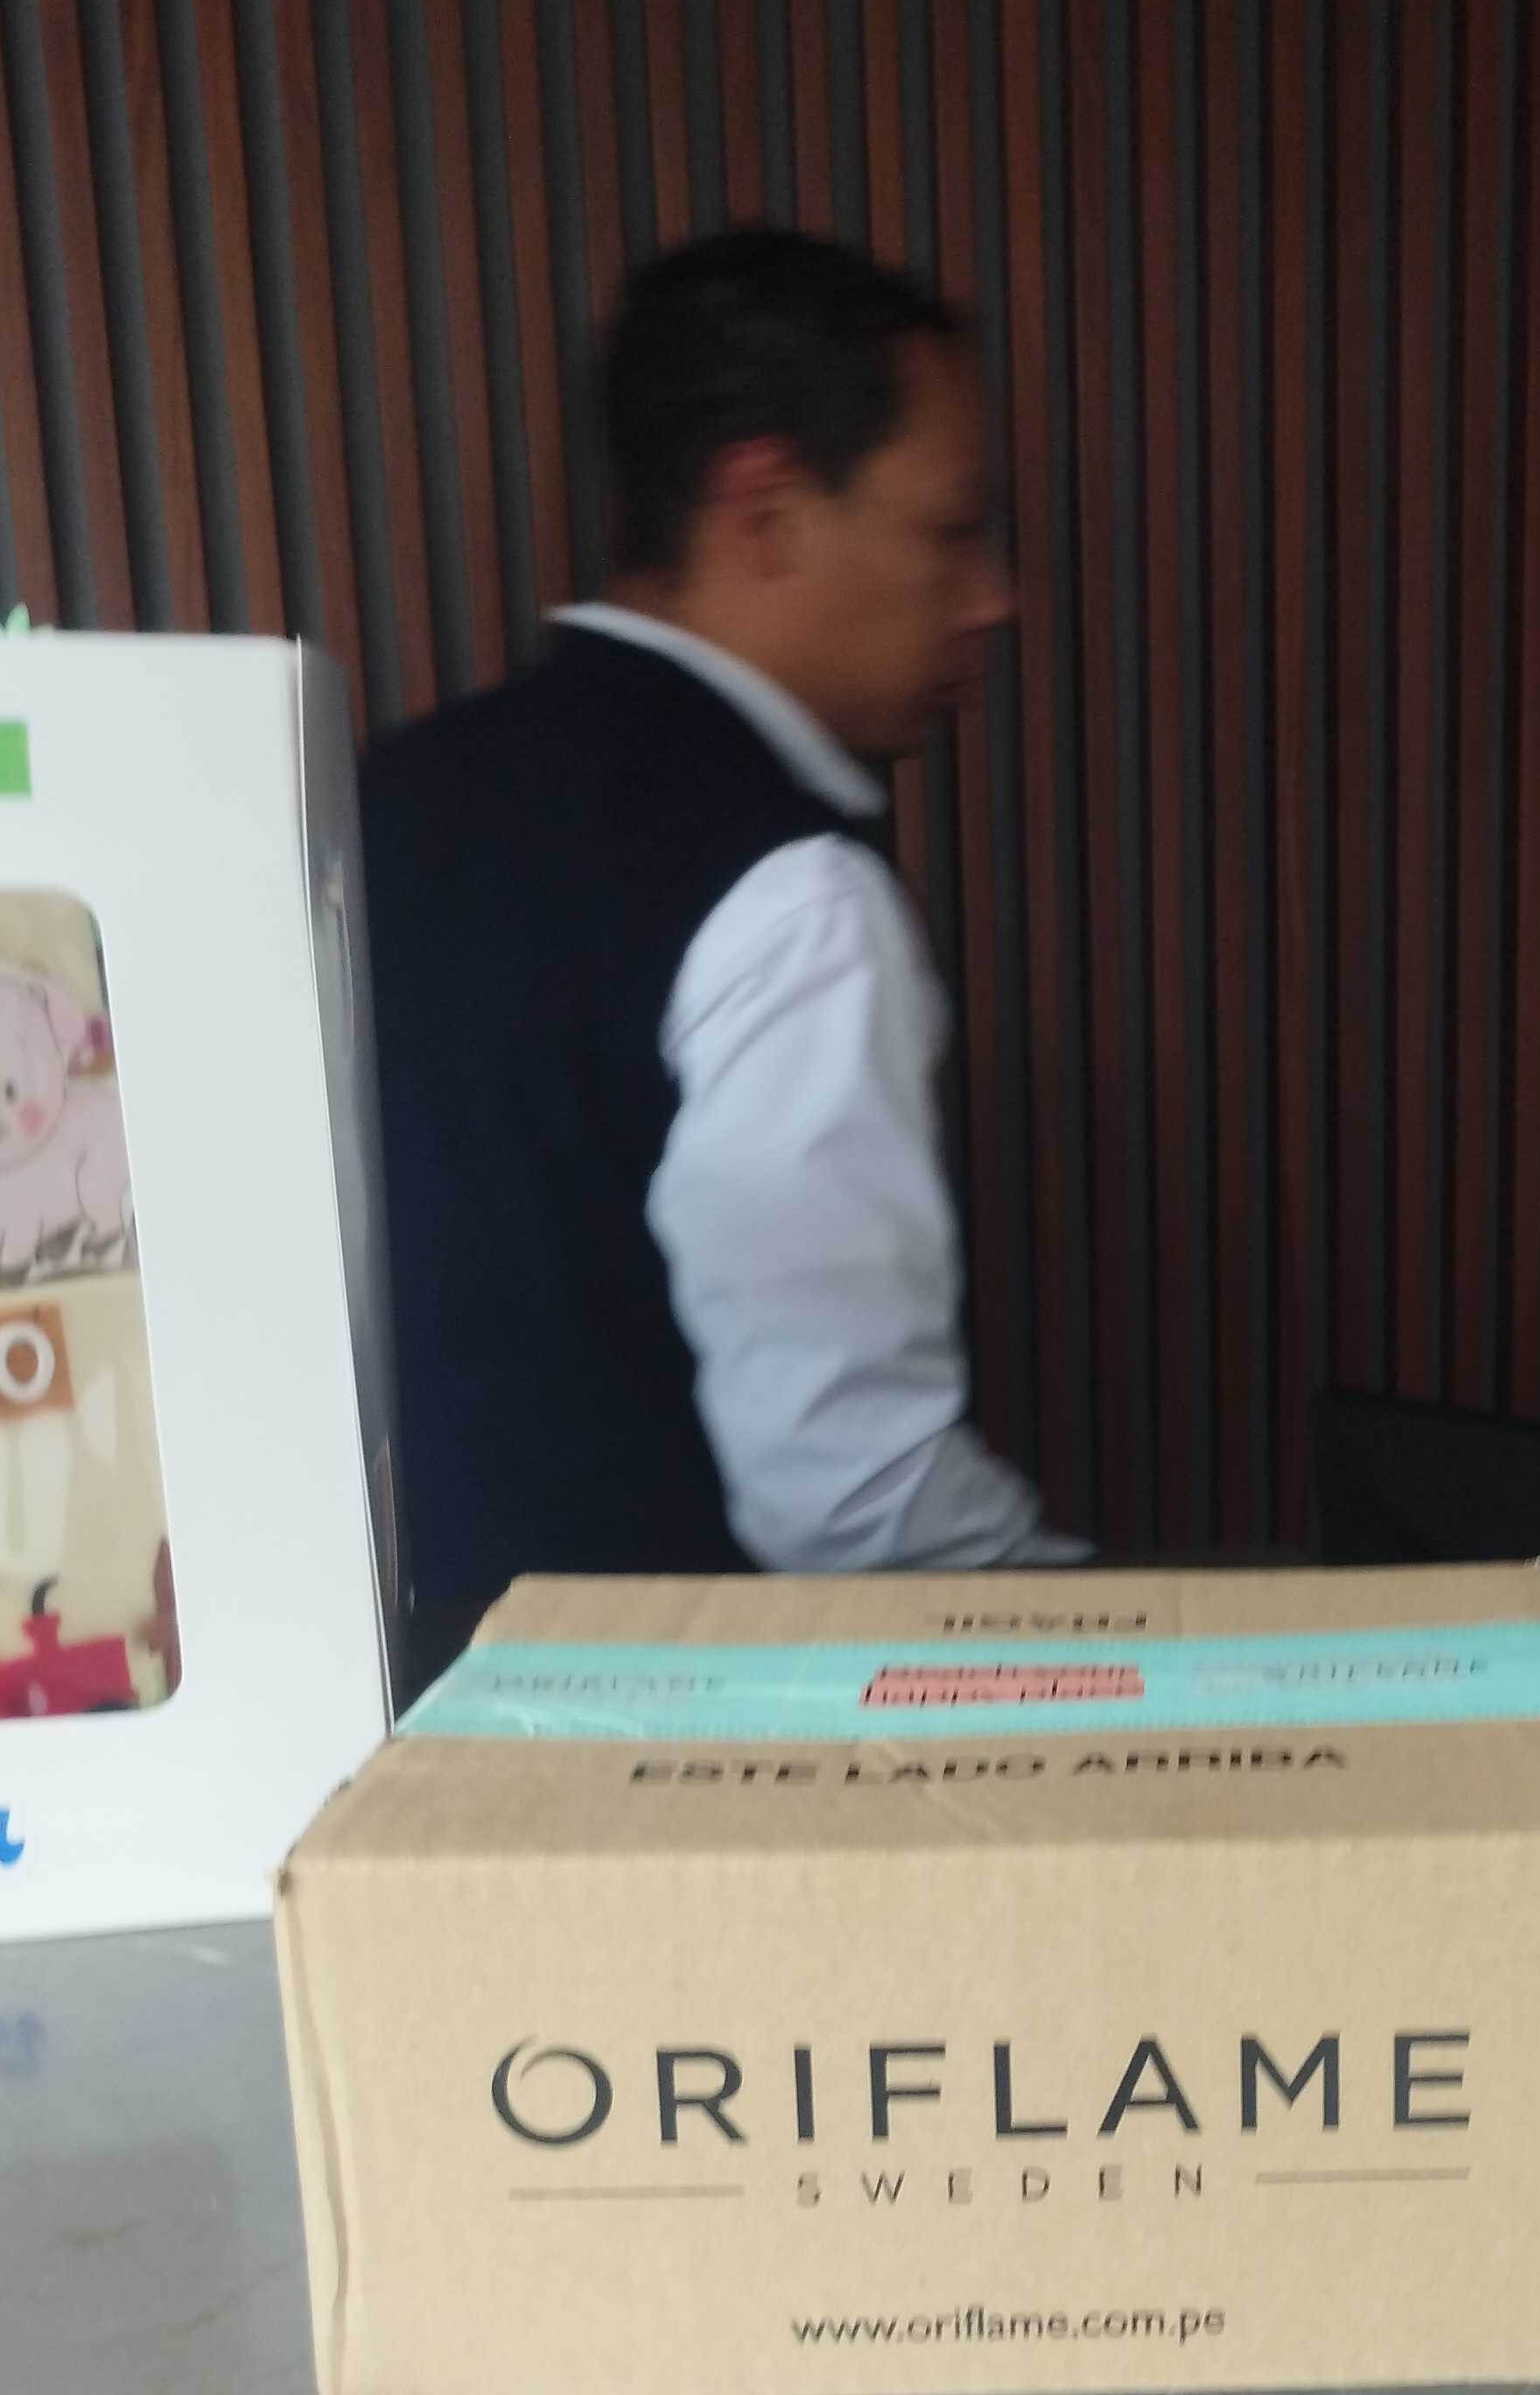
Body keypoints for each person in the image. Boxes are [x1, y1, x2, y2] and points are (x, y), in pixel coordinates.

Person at [362, 230, 1077, 1652]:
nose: (992, 597)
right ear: (766, 511)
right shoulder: (794, 897)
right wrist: (1142, 1640)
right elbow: (858, 1504)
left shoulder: (378, 795)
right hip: (674, 1733)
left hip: (368, 1701)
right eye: (951, 533)